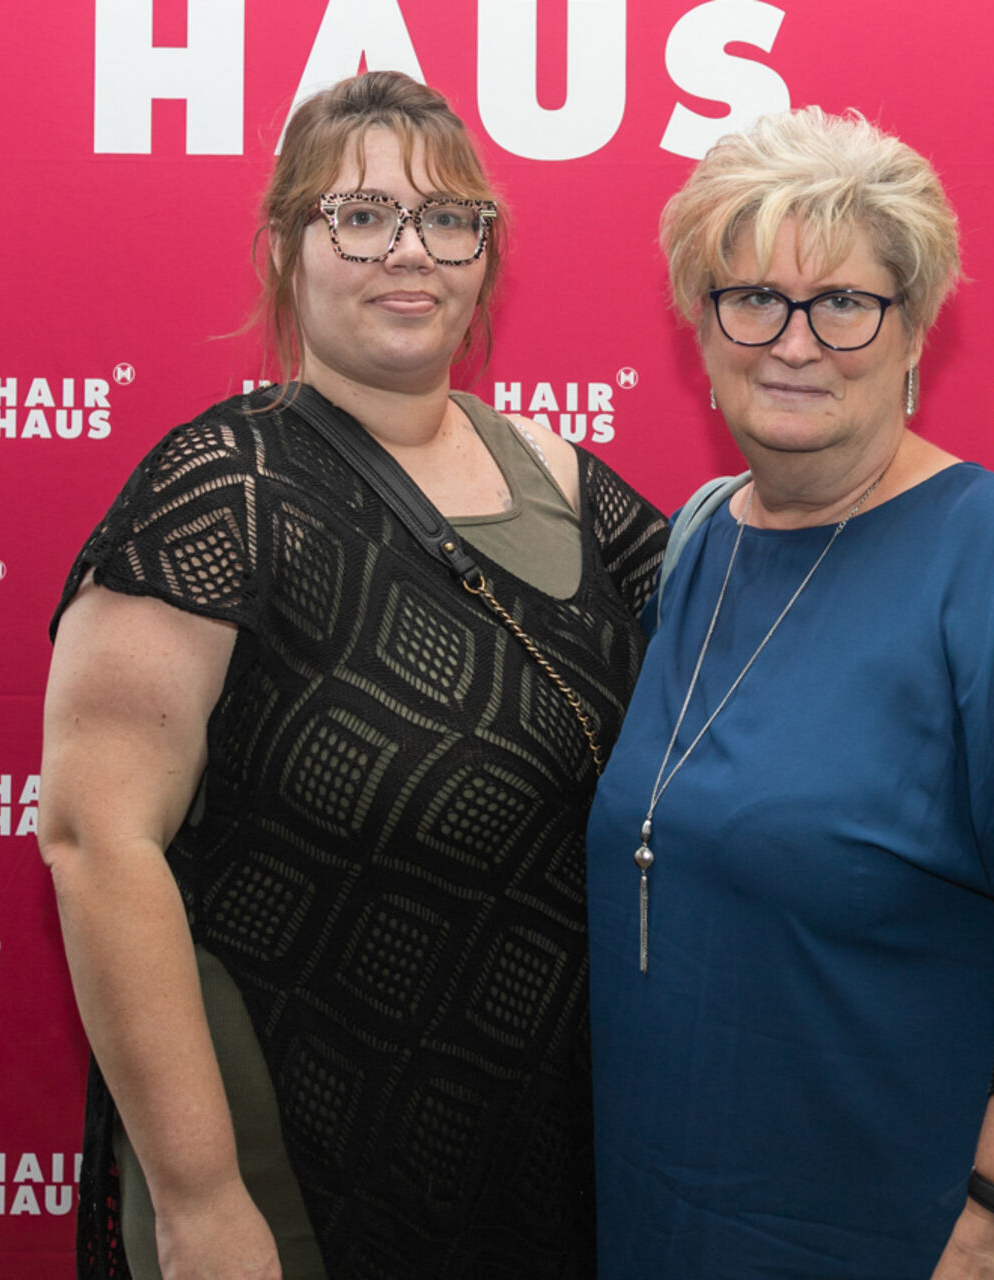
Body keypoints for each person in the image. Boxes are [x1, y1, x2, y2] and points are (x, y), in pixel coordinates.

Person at [40, 71, 667, 1280]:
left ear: (486, 255)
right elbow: (96, 841)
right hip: (289, 1159)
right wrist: (202, 1200)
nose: (409, 251)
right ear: (287, 246)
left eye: (447, 219)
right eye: (362, 214)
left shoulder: (560, 478)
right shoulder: (220, 488)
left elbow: (757, 621)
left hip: (534, 1153)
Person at [584, 107, 994, 1279]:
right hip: (681, 1212)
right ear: (700, 325)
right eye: (753, 297)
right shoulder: (699, 549)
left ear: (914, 327)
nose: (794, 342)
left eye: (844, 302)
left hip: (926, 1234)